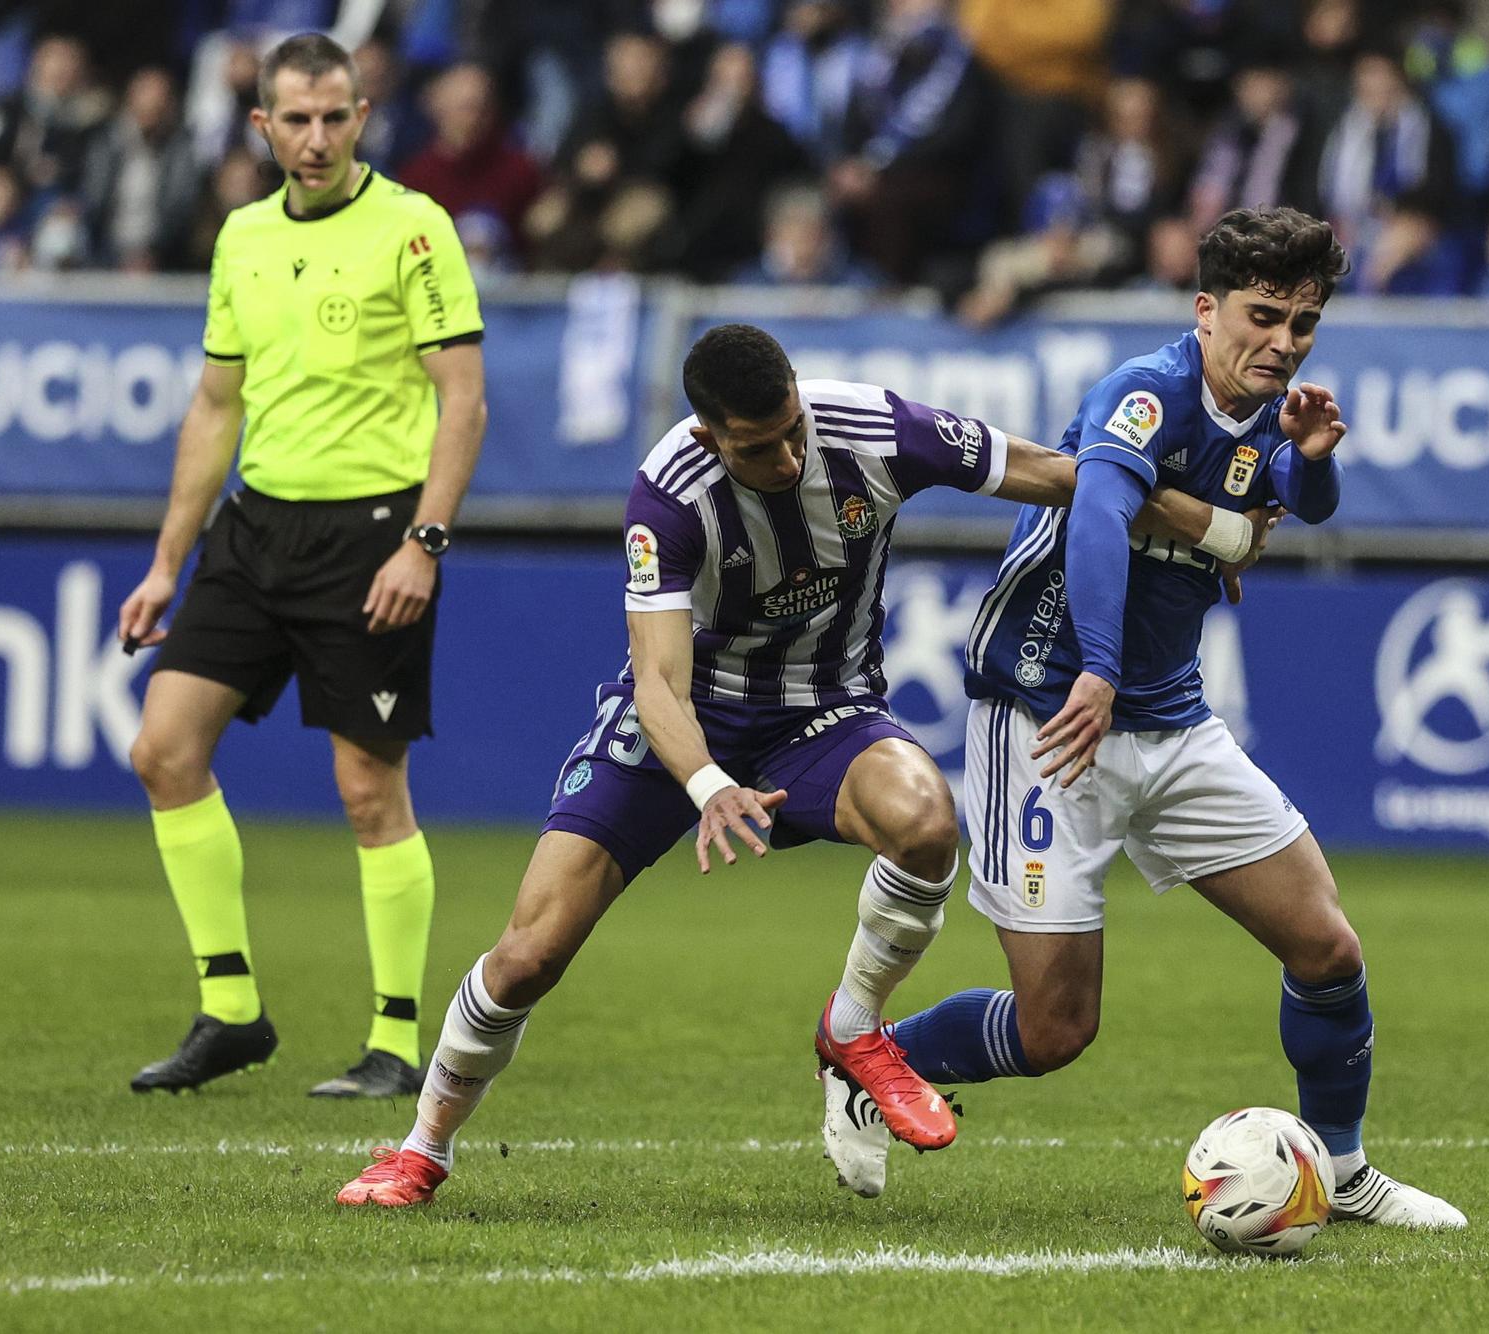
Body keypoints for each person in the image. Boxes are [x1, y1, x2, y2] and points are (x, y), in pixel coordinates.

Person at [334, 323, 1250, 1207]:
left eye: (791, 435)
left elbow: (1056, 472)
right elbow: (656, 680)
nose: (784, 461)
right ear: (710, 436)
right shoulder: (669, 491)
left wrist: (1203, 529)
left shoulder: (874, 428)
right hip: (683, 725)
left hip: (823, 710)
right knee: (530, 955)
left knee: (928, 822)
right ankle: (423, 1147)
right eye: (757, 449)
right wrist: (707, 786)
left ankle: (852, 1029)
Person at [877, 208, 1468, 1230]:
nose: (1282, 341)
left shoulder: (1264, 412)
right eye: (1263, 315)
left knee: (1326, 946)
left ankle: (1342, 1168)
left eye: (1303, 323)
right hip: (1046, 715)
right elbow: (1100, 512)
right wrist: (1096, 668)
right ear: (1205, 310)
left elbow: (1290, 504)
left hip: (1172, 723)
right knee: (1056, 1026)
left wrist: (1314, 456)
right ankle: (867, 1054)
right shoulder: (1143, 393)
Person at [117, 33, 488, 1099]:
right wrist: (165, 563)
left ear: (362, 117)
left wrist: (424, 539)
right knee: (162, 748)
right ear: (262, 125)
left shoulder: (414, 229)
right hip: (253, 530)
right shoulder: (239, 236)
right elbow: (216, 405)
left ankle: (397, 1037)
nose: (316, 138)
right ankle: (230, 1009)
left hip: (371, 536)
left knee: (368, 789)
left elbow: (460, 397)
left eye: (335, 117)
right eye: (297, 119)